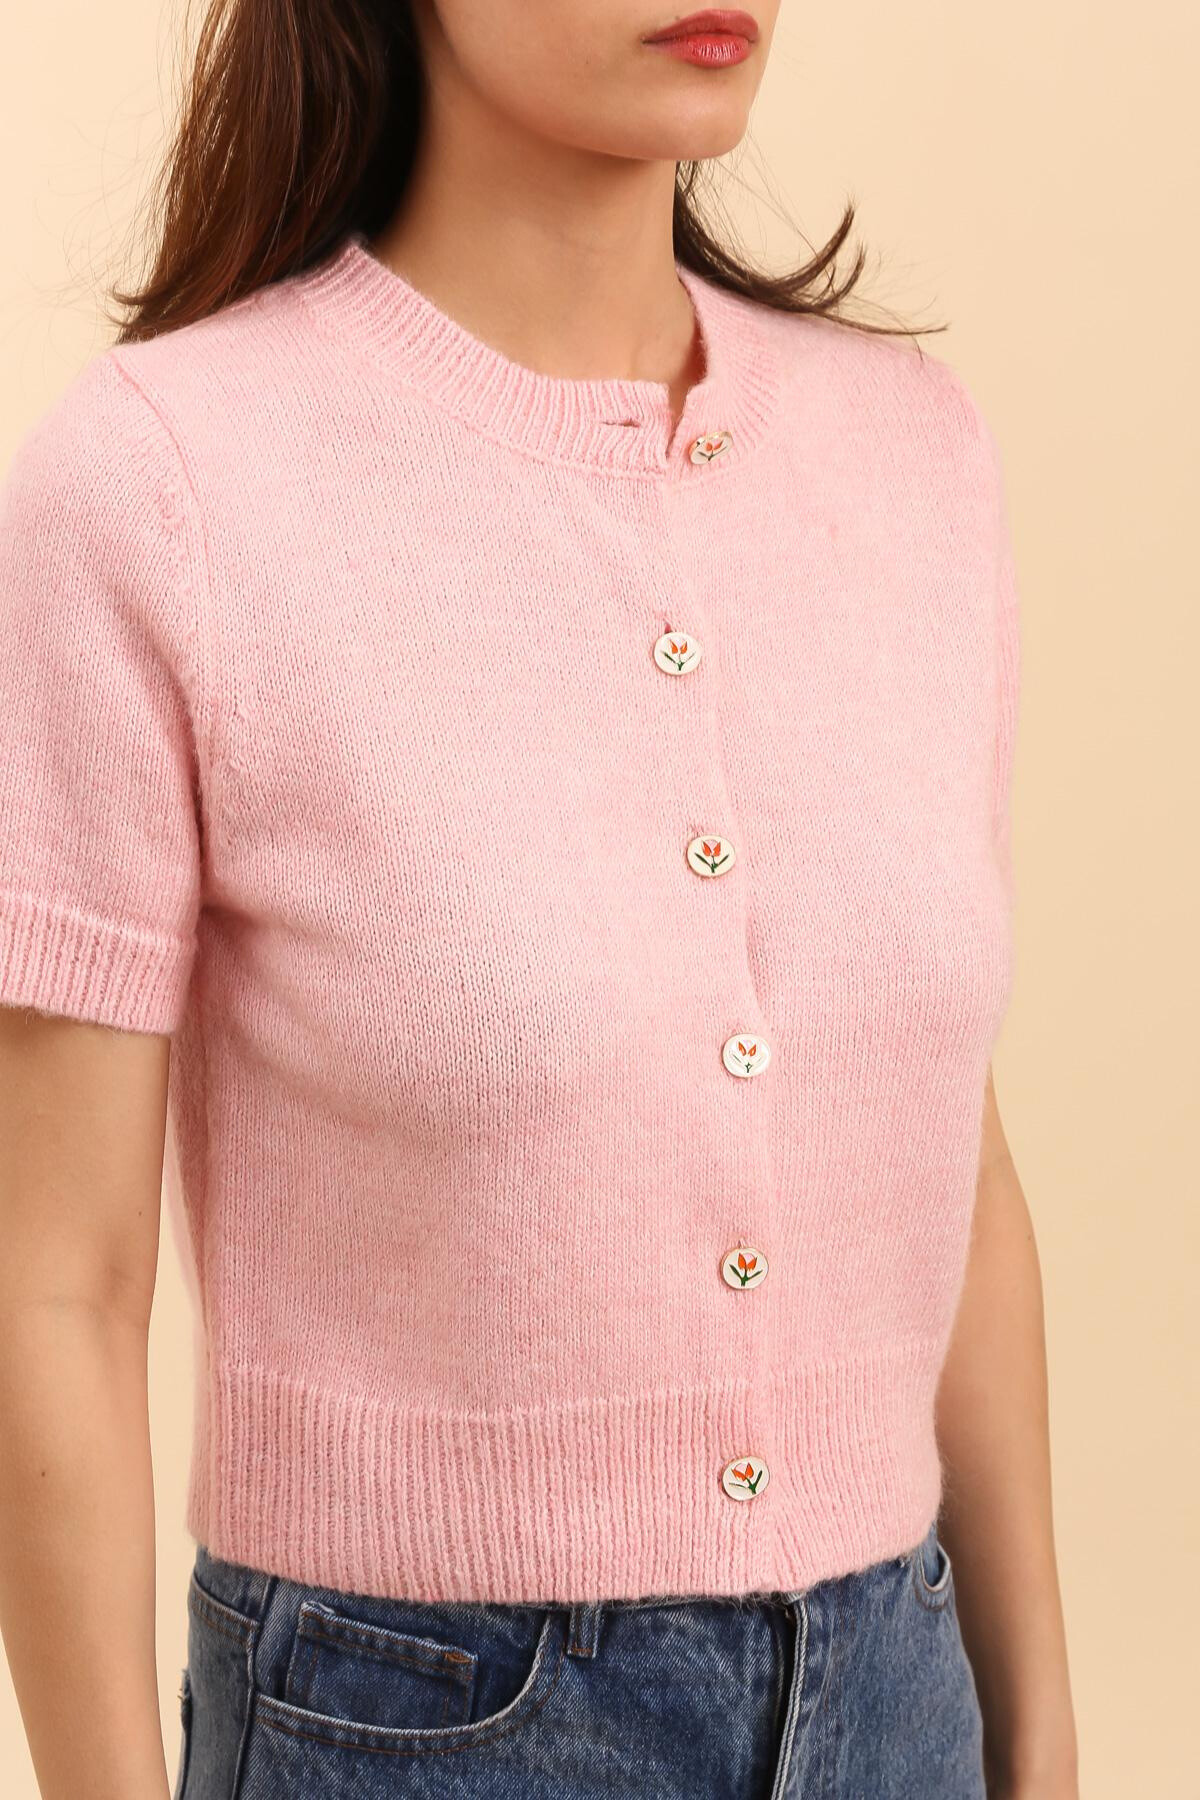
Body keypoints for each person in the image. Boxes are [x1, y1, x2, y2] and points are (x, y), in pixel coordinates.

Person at [0, 2, 1079, 1796]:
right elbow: (59, 1285)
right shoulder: (162, 484)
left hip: (902, 1694)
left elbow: (946, 1156)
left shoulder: (916, 454)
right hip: (415, 1719)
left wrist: (1036, 1741)